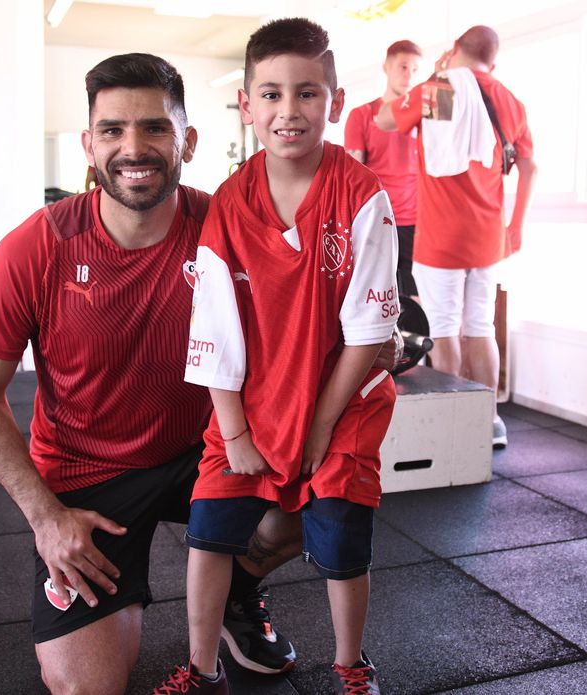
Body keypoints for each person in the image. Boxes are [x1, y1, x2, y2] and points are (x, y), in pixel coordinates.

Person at [0, 53, 399, 695]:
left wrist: (379, 341)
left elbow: (336, 310)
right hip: (89, 479)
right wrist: (45, 516)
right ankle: (184, 590)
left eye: (155, 128)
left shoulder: (230, 221)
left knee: (319, 493)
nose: (133, 148)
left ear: (186, 140)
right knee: (88, 687)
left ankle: (234, 593)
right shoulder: (37, 248)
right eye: (112, 130)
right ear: (88, 145)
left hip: (207, 447)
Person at [153, 18, 398, 695]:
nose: (288, 110)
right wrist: (233, 429)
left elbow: (370, 332)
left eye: (307, 93)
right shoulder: (230, 203)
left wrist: (319, 426)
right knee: (209, 532)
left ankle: (352, 664)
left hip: (342, 402)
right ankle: (201, 670)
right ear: (246, 105)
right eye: (270, 94)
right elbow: (215, 327)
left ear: (337, 102)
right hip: (250, 404)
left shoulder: (360, 195)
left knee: (343, 536)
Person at [376, 25, 537, 448]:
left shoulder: (439, 87)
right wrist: (516, 224)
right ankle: (488, 422)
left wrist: (436, 74)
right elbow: (530, 167)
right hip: (488, 235)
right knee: (480, 325)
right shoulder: (510, 100)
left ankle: (455, 428)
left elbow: (387, 118)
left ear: (454, 51)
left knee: (445, 327)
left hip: (441, 235)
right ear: (493, 61)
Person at [344, 39, 423, 299]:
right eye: (402, 66)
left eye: (414, 69)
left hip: (415, 221)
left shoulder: (425, 118)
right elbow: (352, 176)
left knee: (416, 302)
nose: (408, 75)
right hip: (377, 219)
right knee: (376, 297)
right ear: (386, 67)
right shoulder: (362, 114)